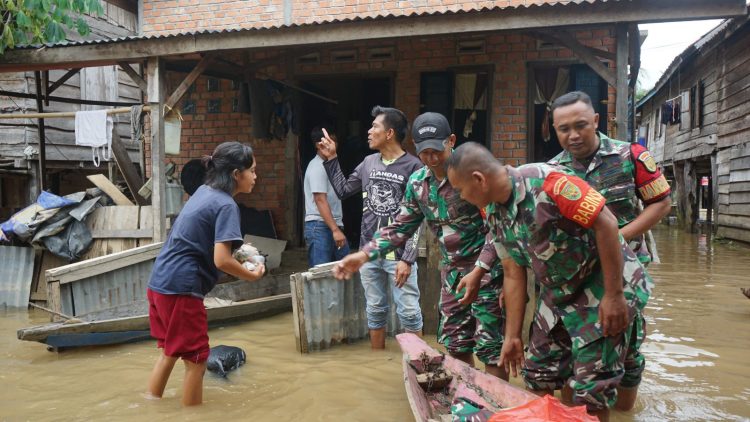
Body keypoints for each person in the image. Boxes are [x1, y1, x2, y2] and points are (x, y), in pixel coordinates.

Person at [446, 142, 653, 422]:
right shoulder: (492, 211)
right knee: (538, 374)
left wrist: (614, 295)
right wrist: (513, 336)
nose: (460, 197)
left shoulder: (550, 182)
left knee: (591, 394)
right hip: (558, 292)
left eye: (460, 190)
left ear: (478, 180)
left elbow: (607, 223)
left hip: (602, 285)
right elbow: (512, 271)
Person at [332, 112, 506, 378]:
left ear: (451, 141)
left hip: (486, 273)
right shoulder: (418, 183)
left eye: (437, 150)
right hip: (452, 276)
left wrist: (481, 269)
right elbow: (400, 227)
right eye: (424, 152)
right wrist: (363, 255)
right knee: (456, 344)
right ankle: (470, 405)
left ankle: (498, 413)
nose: (432, 158)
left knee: (491, 348)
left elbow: (498, 228)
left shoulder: (472, 171)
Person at [548, 91, 671, 410]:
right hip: (577, 279)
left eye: (581, 125)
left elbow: (660, 203)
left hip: (627, 272)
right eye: (564, 129)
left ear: (596, 121)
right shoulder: (551, 172)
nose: (573, 135)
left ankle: (624, 412)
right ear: (554, 129)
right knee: (574, 350)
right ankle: (579, 412)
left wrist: (618, 237)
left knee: (627, 346)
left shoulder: (630, 155)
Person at [145, 142, 266, 406]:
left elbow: (206, 239)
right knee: (197, 362)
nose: (256, 177)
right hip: (182, 289)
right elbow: (221, 259)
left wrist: (244, 251)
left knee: (169, 352)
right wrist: (252, 276)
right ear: (237, 174)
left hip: (159, 284)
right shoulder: (226, 205)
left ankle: (150, 406)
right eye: (253, 171)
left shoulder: (203, 191)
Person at [318, 105, 423, 349]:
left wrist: (408, 258)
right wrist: (332, 159)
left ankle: (421, 364)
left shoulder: (414, 167)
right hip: (369, 251)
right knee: (375, 309)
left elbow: (419, 218)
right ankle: (377, 357)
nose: (368, 131)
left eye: (375, 126)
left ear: (389, 133)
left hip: (398, 255)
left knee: (408, 311)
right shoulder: (368, 163)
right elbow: (344, 190)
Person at [303, 127, 350, 267]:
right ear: (319, 145)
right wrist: (335, 230)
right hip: (320, 226)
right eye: (330, 140)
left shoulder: (330, 164)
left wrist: (336, 228)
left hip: (331, 225)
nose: (334, 144)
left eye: (334, 140)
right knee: (321, 275)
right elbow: (320, 199)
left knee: (344, 269)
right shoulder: (318, 167)